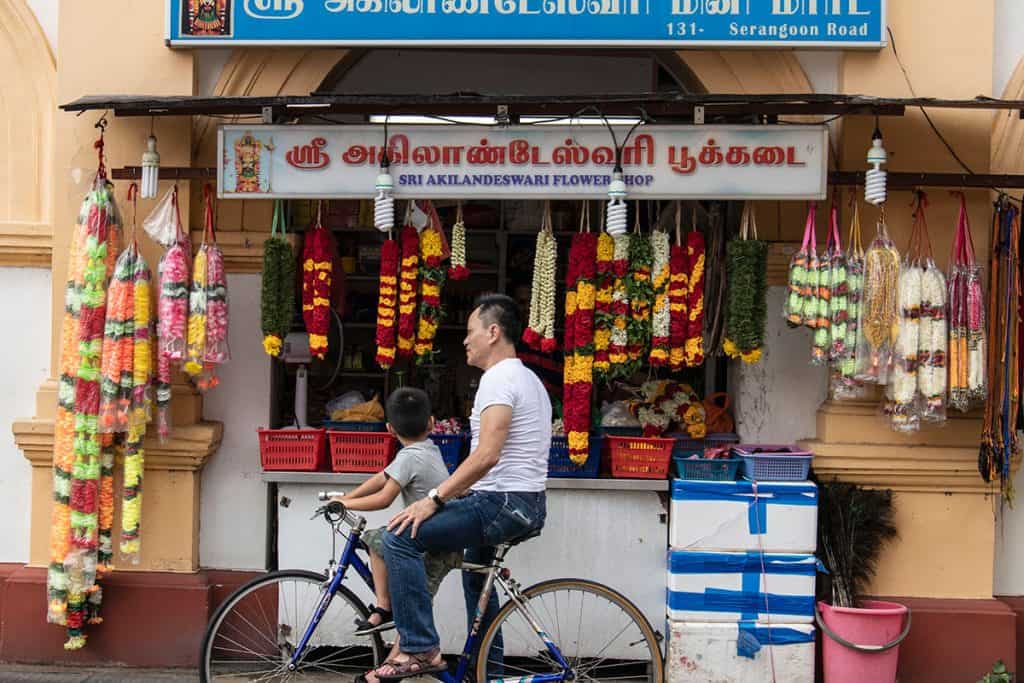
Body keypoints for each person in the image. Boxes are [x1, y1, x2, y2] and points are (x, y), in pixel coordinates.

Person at [372, 294, 552, 681]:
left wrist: (434, 500)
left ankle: (419, 648)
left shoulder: (499, 379)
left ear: (493, 332)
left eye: (470, 333)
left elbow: (487, 455)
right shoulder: (529, 380)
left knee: (399, 537)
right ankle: (489, 671)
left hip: (503, 503)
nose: (465, 341)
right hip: (520, 501)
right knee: (476, 575)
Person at [329, 389, 462, 667]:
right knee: (375, 539)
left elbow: (384, 497)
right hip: (428, 537)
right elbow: (382, 478)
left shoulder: (410, 456)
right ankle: (384, 606)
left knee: (412, 607)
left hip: (436, 547)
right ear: (431, 423)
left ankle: (392, 654)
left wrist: (348, 505)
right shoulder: (426, 449)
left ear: (389, 428)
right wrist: (346, 498)